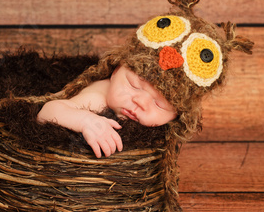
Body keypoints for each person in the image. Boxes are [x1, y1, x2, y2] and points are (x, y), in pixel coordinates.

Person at [37, 64, 177, 158]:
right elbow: (46, 112)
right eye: (134, 85)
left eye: (159, 105)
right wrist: (86, 120)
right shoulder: (96, 100)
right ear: (115, 72)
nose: (140, 102)